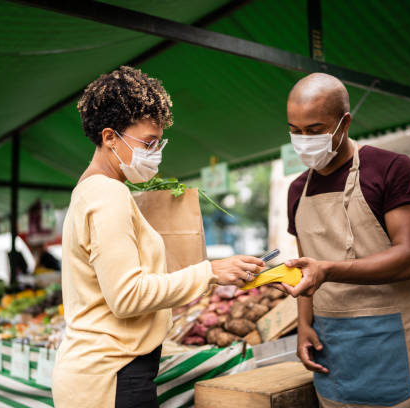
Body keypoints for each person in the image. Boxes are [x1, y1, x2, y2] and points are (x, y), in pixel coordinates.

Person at [52, 66, 264, 408]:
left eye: (158, 142)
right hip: (111, 376)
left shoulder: (90, 191)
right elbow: (126, 296)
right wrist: (209, 272)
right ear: (109, 138)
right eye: (148, 143)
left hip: (100, 372)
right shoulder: (107, 195)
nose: (155, 153)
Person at [278, 73, 410, 407]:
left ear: (345, 122)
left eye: (314, 130)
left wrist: (328, 269)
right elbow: (305, 266)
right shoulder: (297, 190)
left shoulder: (391, 169)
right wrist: (304, 324)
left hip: (395, 342)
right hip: (333, 347)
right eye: (295, 130)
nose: (303, 140)